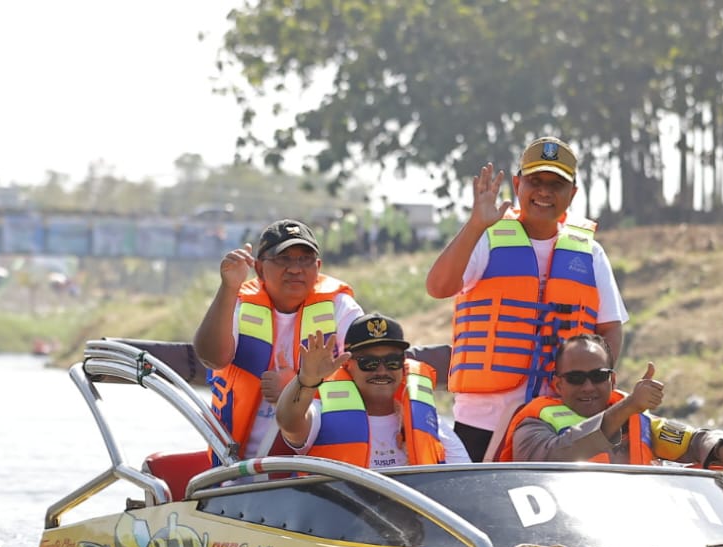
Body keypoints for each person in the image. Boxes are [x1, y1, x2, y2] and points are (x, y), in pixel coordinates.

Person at [424, 136, 629, 461]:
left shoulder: (590, 252)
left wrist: (590, 387)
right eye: (535, 181)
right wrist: (475, 225)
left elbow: (610, 329)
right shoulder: (485, 237)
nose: (544, 192)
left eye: (556, 184)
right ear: (518, 184)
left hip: (557, 421)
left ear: (572, 193)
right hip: (482, 420)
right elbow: (438, 287)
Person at [193, 218, 363, 459]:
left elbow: (367, 373)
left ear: (318, 266)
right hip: (239, 465)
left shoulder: (341, 307)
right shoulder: (238, 302)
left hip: (320, 462)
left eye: (305, 259)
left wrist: (296, 388)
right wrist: (228, 288)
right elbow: (212, 357)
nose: (295, 269)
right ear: (260, 268)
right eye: (283, 259)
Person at [495, 333, 723, 476]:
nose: (587, 386)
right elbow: (554, 457)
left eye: (598, 376)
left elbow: (694, 441)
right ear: (558, 385)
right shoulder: (532, 427)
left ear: (612, 380)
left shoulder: (641, 424)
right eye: (575, 378)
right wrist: (628, 406)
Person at [275, 312, 471, 468]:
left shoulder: (429, 421)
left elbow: (464, 479)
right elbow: (288, 422)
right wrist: (306, 380)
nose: (382, 371)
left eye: (392, 361)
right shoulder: (320, 414)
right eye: (368, 362)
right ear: (348, 365)